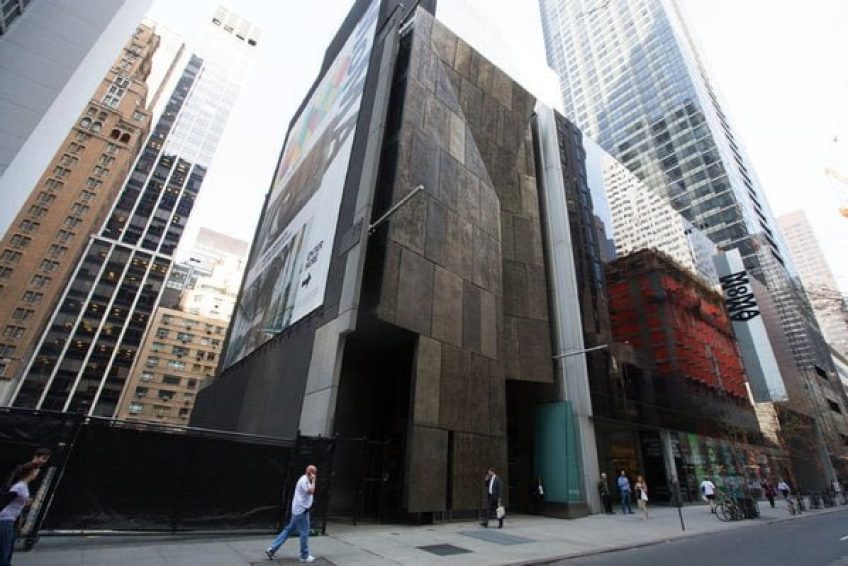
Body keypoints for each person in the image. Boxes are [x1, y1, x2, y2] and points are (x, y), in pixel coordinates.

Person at [265, 465, 317, 563]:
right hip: (301, 511)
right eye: (314, 473)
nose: (315, 475)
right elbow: (311, 492)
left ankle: (272, 549)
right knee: (304, 533)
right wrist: (314, 480)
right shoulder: (304, 480)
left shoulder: (305, 479)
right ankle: (304, 556)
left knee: (288, 530)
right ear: (310, 473)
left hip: (299, 510)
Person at [0, 463, 39, 566]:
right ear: (31, 472)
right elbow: (6, 499)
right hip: (5, 520)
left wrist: (25, 501)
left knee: (7, 551)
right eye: (36, 470)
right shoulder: (19, 486)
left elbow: (15, 500)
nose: (37, 472)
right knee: (4, 553)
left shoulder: (23, 485)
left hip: (9, 520)